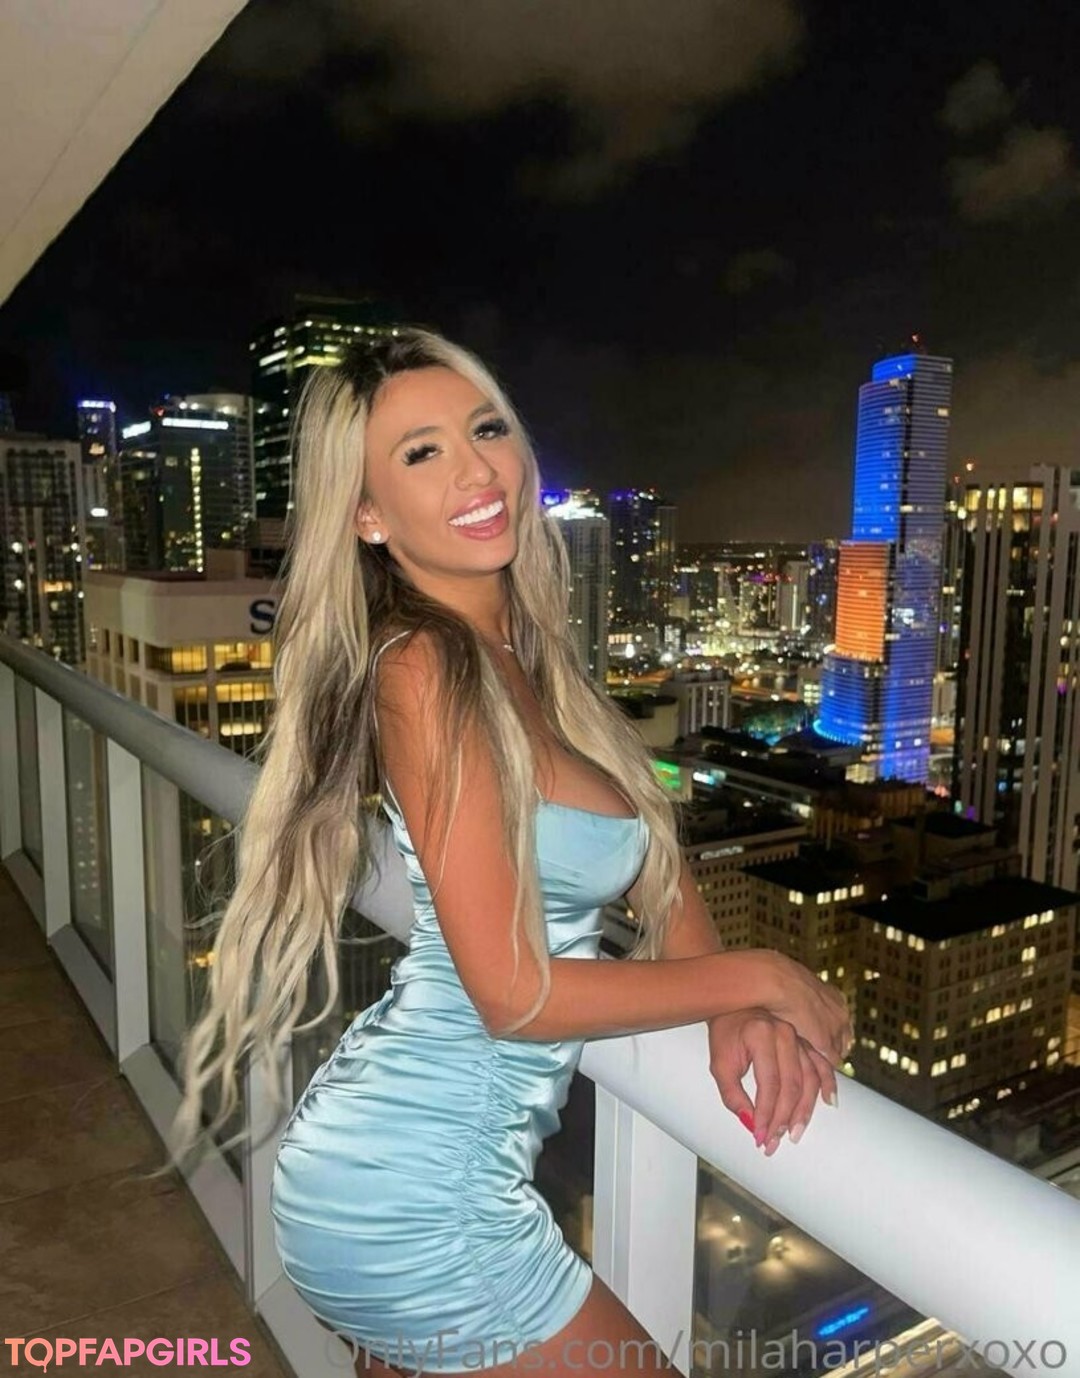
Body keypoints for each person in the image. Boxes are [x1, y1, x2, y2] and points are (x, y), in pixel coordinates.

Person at [168, 327, 853, 1377]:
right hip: (419, 1199)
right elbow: (514, 997)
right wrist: (764, 975)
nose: (477, 470)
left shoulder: (524, 658)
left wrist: (725, 1002)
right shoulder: (425, 667)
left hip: (410, 1167)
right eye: (422, 453)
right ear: (366, 514)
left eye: (485, 430)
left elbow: (653, 865)